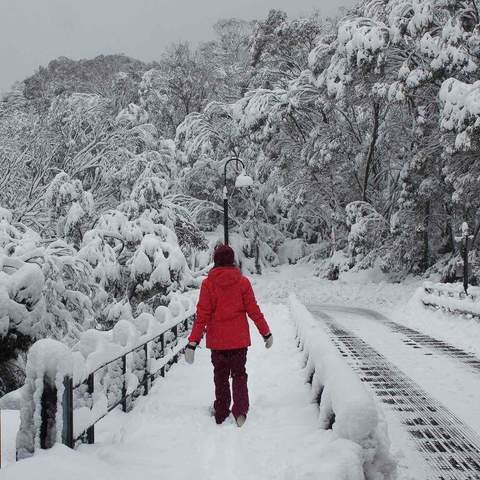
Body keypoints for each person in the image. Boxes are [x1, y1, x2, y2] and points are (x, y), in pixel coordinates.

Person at [185, 244, 273, 427]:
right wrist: (266, 332)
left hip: (218, 342)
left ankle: (222, 410)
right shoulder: (243, 283)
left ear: (215, 261)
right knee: (239, 374)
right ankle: (240, 411)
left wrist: (193, 342)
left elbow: (202, 316)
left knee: (220, 376)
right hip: (239, 341)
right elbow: (253, 310)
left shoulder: (208, 284)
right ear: (232, 261)